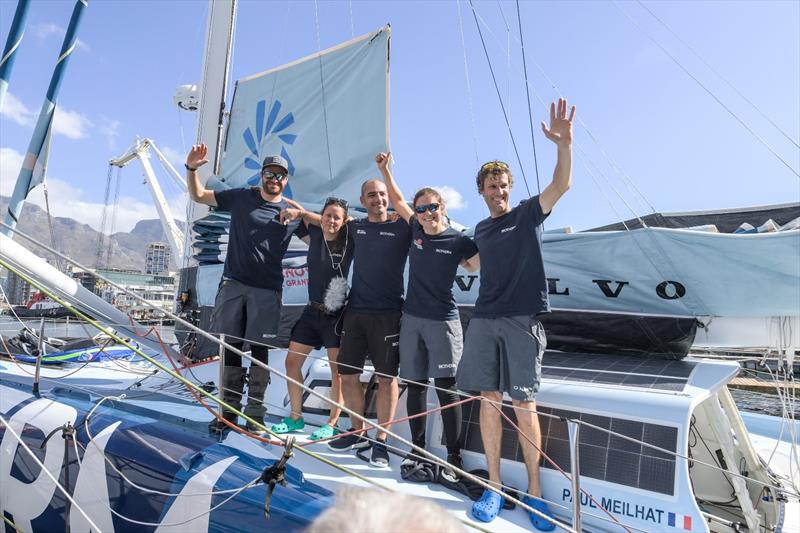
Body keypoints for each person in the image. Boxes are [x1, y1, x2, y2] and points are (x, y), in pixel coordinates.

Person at [456, 98, 575, 530]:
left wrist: (563, 145)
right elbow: (469, 264)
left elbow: (561, 186)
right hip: (484, 320)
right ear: (482, 192)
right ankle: (493, 486)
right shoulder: (482, 230)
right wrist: (431, 230)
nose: (499, 191)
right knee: (489, 401)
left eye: (504, 184)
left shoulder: (526, 214)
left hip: (523, 320)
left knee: (524, 404)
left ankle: (535, 494)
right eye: (492, 186)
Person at [282, 178, 411, 468]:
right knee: (347, 373)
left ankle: (381, 440)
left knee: (387, 378)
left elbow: (414, 215)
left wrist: (387, 174)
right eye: (371, 195)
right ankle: (357, 429)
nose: (378, 199)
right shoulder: (356, 227)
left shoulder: (401, 225)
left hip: (389, 313)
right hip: (355, 311)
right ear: (363, 201)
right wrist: (302, 214)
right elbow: (332, 222)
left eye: (382, 194)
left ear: (387, 198)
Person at [185, 143, 307, 436]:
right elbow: (199, 195)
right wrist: (191, 169)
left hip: (267, 292)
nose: (275, 179)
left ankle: (255, 415)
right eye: (270, 173)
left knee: (260, 352)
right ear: (261, 175)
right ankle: (228, 414)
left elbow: (321, 241)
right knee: (231, 349)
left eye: (280, 175)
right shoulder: (241, 197)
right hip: (234, 286)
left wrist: (306, 214)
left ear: (286, 181)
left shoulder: (291, 213)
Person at [374, 152, 479, 476]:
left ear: (442, 208)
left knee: (446, 387)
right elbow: (398, 199)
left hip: (444, 322)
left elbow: (478, 265)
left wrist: (467, 261)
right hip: (413, 321)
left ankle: (454, 457)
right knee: (416, 385)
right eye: (421, 209)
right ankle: (417, 450)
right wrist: (385, 170)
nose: (426, 212)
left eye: (433, 207)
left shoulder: (459, 240)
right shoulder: (415, 230)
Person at [270, 197, 354, 441]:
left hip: (336, 315)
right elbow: (299, 216)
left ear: (345, 220)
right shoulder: (314, 237)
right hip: (311, 312)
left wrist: (306, 212)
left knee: (337, 371)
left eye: (337, 217)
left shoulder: (349, 241)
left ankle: (332, 422)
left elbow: (309, 215)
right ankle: (295, 417)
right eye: (328, 215)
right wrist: (300, 211)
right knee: (291, 363)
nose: (331, 221)